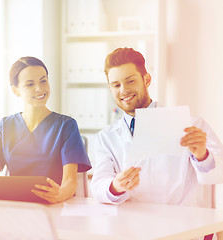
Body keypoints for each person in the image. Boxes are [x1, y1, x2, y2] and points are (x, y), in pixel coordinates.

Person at [90, 47, 223, 206]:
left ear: (146, 80)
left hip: (185, 225)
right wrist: (116, 186)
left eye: (130, 81)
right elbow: (98, 184)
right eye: (116, 85)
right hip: (135, 225)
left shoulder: (191, 125)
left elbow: (219, 173)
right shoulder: (106, 138)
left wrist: (202, 155)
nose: (124, 90)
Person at [0, 56, 91, 203]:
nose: (39, 88)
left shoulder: (66, 125)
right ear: (16, 91)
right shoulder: (5, 126)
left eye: (43, 81)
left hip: (51, 207)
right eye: (30, 84)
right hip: (13, 205)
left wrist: (60, 195)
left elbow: (70, 182)